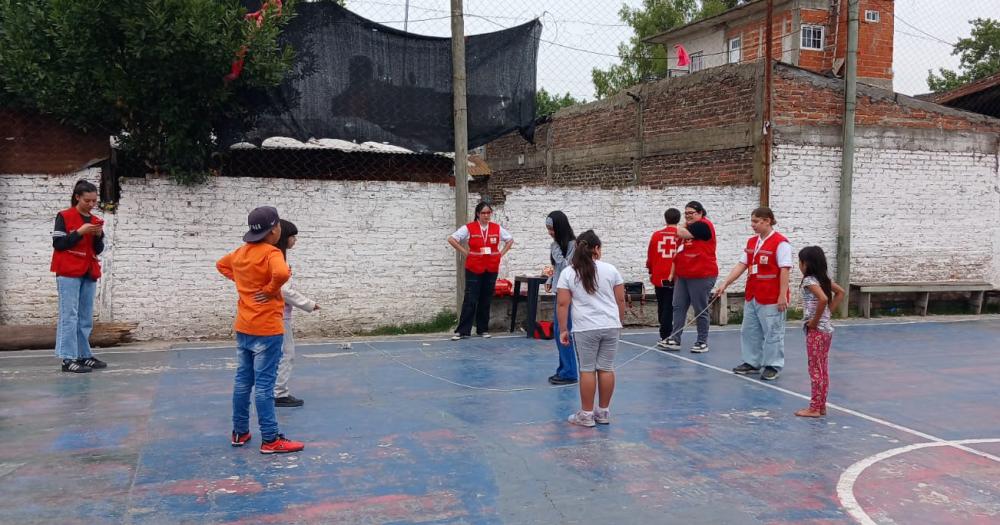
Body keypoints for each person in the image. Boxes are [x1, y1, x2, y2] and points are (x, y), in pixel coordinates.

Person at [217, 206, 304, 454]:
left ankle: (240, 432)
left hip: (244, 326)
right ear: (274, 229)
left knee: (243, 382)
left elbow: (221, 266)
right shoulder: (271, 253)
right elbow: (281, 273)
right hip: (267, 328)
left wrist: (244, 282)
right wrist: (268, 290)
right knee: (265, 386)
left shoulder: (240, 252)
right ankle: (270, 439)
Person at [556, 230, 626, 428]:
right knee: (606, 368)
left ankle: (586, 414)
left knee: (587, 369)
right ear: (597, 249)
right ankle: (603, 412)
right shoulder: (611, 270)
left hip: (585, 327)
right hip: (610, 325)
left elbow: (562, 304)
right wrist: (618, 321)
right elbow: (620, 299)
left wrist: (563, 329)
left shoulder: (568, 273)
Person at [715, 207, 792, 381]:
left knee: (773, 332)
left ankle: (773, 365)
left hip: (772, 297)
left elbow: (785, 270)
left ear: (767, 221)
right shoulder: (752, 242)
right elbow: (742, 265)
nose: (753, 225)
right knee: (749, 331)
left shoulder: (781, 243)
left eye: (756, 222)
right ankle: (752, 362)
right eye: (752, 221)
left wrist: (782, 295)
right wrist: (725, 283)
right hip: (753, 295)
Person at [50, 180, 108, 373]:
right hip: (68, 271)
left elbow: (98, 249)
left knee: (85, 317)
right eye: (87, 200)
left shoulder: (95, 220)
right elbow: (58, 243)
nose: (91, 205)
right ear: (77, 197)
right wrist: (79, 232)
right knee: (69, 315)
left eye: (94, 201)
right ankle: (67, 358)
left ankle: (84, 355)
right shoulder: (64, 216)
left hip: (88, 271)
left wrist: (98, 236)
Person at [447, 201, 513, 340]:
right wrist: (465, 252)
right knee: (470, 298)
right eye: (483, 213)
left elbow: (510, 240)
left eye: (488, 213)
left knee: (486, 298)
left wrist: (500, 254)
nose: (486, 215)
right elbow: (452, 239)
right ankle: (463, 330)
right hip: (474, 267)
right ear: (478, 214)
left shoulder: (496, 228)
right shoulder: (469, 228)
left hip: (491, 267)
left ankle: (482, 329)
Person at [273, 219, 319, 408]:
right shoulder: (277, 260)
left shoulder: (279, 258)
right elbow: (284, 291)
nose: (295, 241)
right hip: (278, 315)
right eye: (293, 237)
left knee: (277, 354)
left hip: (278, 314)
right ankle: (279, 393)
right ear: (283, 238)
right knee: (287, 353)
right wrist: (309, 304)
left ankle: (274, 390)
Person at [795, 246, 845, 418]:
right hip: (826, 331)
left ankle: (814, 407)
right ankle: (821, 405)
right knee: (822, 368)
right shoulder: (822, 279)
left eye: (800, 262)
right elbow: (840, 292)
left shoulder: (809, 281)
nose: (799, 265)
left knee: (815, 369)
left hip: (816, 331)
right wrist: (827, 314)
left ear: (806, 263)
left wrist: (815, 321)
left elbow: (823, 299)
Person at [662, 201, 718, 353]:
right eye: (686, 213)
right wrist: (673, 273)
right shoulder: (688, 228)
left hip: (701, 274)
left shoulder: (703, 226)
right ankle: (675, 338)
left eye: (691, 213)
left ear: (700, 213)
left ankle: (702, 341)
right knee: (678, 306)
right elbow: (678, 252)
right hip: (684, 275)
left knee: (700, 309)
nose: (687, 216)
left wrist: (681, 226)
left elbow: (680, 232)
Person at [542, 211, 577, 385]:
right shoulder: (559, 244)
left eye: (552, 229)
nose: (550, 232)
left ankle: (570, 372)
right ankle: (563, 370)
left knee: (564, 331)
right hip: (559, 290)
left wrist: (555, 250)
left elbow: (566, 268)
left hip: (568, 294)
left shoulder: (573, 245)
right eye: (548, 229)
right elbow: (557, 269)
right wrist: (550, 279)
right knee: (558, 332)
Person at [647, 208, 681, 350]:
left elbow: (651, 254)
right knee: (670, 306)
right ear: (679, 219)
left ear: (665, 219)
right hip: (675, 276)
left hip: (658, 275)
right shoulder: (682, 235)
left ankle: (664, 331)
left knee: (662, 305)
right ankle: (666, 334)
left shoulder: (656, 235)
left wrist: (650, 270)